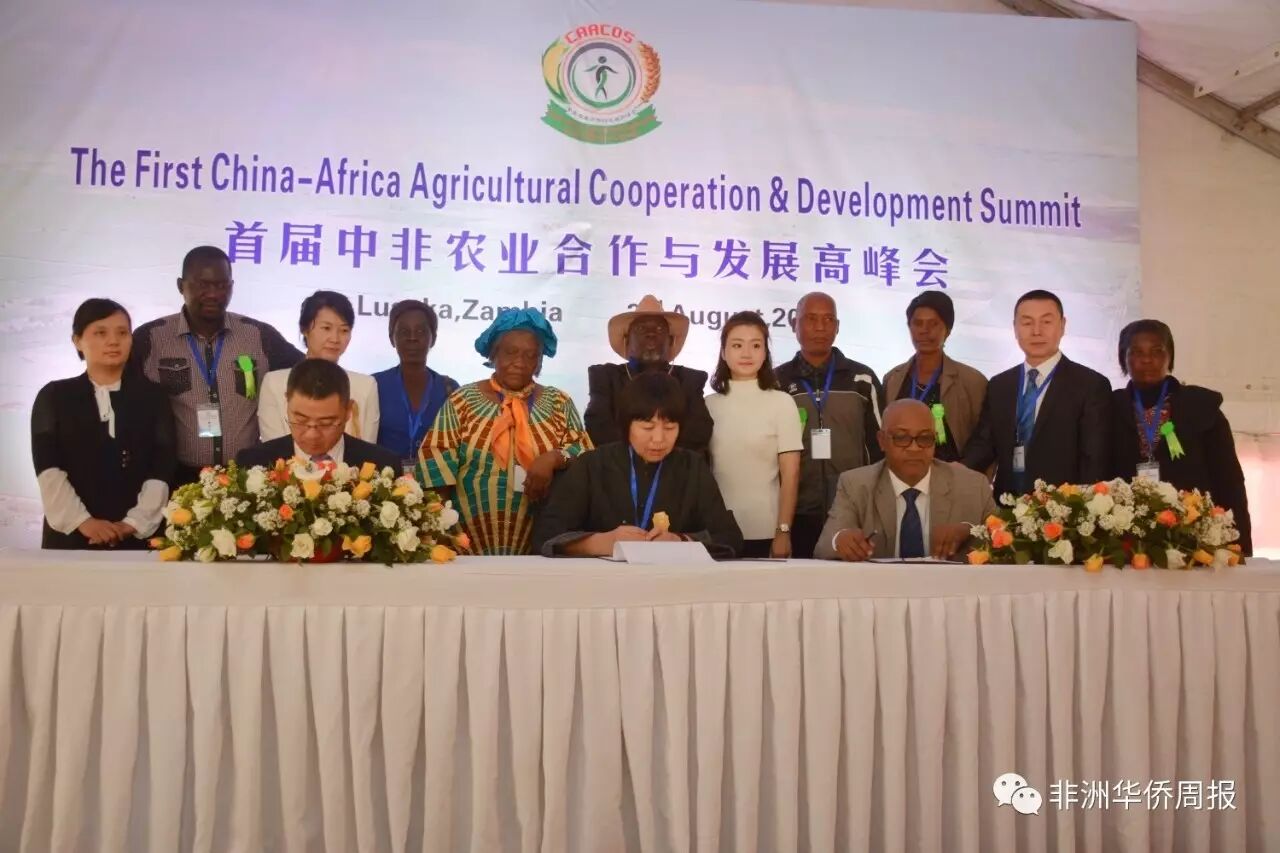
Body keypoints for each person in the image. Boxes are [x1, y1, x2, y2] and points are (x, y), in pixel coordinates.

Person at [419, 309, 591, 555]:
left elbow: (585, 453)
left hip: (540, 545)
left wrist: (554, 458)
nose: (520, 362)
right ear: (494, 353)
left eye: (531, 355)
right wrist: (441, 535)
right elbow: (436, 464)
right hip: (466, 544)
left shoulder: (558, 402)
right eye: (510, 352)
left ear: (539, 361)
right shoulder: (462, 400)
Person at [130, 246, 304, 483]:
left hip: (246, 477)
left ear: (232, 287)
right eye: (203, 285)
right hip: (178, 476)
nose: (213, 294)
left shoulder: (259, 335)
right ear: (181, 286)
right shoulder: (151, 338)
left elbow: (305, 374)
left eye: (222, 285)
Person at [533, 373, 744, 558]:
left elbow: (729, 537)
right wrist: (600, 543)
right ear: (627, 425)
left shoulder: (693, 467)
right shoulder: (591, 465)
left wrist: (681, 541)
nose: (658, 439)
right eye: (647, 427)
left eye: (670, 428)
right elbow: (545, 535)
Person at [32, 299, 175, 549]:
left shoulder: (154, 397)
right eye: (100, 333)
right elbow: (48, 468)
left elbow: (162, 466)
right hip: (72, 537)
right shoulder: (54, 395)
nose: (113, 341)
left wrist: (132, 523)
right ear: (77, 341)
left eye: (122, 333)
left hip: (138, 538)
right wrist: (84, 522)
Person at [1109, 319, 1252, 553]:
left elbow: (1230, 481)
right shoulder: (1108, 408)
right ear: (1123, 358)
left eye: (1157, 351)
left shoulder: (1202, 407)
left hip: (1194, 541)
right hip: (1126, 543)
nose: (1147, 360)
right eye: (1136, 352)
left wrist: (1241, 547)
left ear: (1170, 357)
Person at [962, 289, 1111, 498]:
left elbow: (1093, 460)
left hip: (1062, 508)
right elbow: (983, 444)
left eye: (1046, 322)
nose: (1036, 331)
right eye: (1027, 323)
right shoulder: (1000, 385)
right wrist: (948, 473)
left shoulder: (1090, 385)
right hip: (1006, 507)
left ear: (1063, 325)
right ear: (1015, 328)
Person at [775, 291, 886, 558]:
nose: (820, 327)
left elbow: (881, 446)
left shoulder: (862, 378)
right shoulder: (777, 381)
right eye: (811, 319)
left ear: (837, 327)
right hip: (795, 510)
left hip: (852, 509)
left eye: (828, 320)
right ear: (794, 324)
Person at [817, 400, 997, 561]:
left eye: (925, 438)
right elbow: (824, 545)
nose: (914, 448)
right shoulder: (855, 484)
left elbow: (1007, 544)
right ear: (881, 441)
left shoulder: (973, 486)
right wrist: (839, 540)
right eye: (901, 438)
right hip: (879, 587)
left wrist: (969, 531)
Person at [704, 311, 802, 558]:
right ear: (724, 352)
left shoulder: (782, 403)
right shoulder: (707, 405)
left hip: (766, 531)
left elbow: (790, 474)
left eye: (756, 345)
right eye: (737, 345)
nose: (747, 354)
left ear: (765, 352)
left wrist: (784, 531)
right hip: (717, 532)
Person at [582, 295, 714, 455]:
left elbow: (698, 432)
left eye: (659, 329)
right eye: (641, 329)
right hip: (617, 467)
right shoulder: (605, 377)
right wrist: (638, 458)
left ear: (671, 340)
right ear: (627, 340)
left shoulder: (690, 379)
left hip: (677, 468)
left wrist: (659, 456)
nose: (651, 334)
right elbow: (599, 427)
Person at [235, 359, 400, 471]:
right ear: (287, 404)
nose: (312, 435)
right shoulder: (253, 464)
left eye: (326, 423)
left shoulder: (382, 466)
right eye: (300, 420)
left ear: (348, 411)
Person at [258, 290, 379, 442]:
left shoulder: (365, 386)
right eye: (326, 328)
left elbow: (366, 449)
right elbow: (274, 447)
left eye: (344, 330)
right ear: (305, 329)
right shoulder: (274, 383)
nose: (335, 339)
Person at [882, 291, 987, 462]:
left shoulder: (972, 381)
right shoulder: (892, 379)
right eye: (918, 323)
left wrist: (965, 472)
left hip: (953, 474)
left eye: (933, 324)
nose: (924, 331)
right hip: (901, 471)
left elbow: (984, 440)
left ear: (948, 330)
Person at [373, 300, 459, 473]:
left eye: (420, 331)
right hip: (383, 484)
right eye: (404, 332)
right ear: (392, 338)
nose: (412, 338)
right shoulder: (374, 385)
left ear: (433, 338)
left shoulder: (449, 388)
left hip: (435, 484)